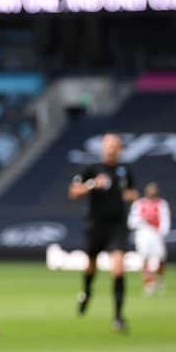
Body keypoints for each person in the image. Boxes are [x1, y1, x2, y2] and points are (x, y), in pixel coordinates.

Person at [68, 132, 139, 333]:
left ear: (120, 149)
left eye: (114, 145)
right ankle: (87, 292)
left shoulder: (125, 170)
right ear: (102, 148)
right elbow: (73, 192)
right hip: (96, 225)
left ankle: (118, 317)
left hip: (117, 225)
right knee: (91, 265)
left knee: (118, 269)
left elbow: (132, 193)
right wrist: (92, 185)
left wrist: (130, 195)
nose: (110, 149)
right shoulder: (92, 169)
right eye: (107, 145)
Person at [128, 181, 170, 295]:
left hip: (156, 234)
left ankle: (160, 280)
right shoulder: (138, 204)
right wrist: (143, 220)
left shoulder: (162, 204)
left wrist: (161, 233)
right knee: (144, 257)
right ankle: (149, 283)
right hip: (143, 234)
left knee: (161, 258)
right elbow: (131, 222)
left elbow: (165, 221)